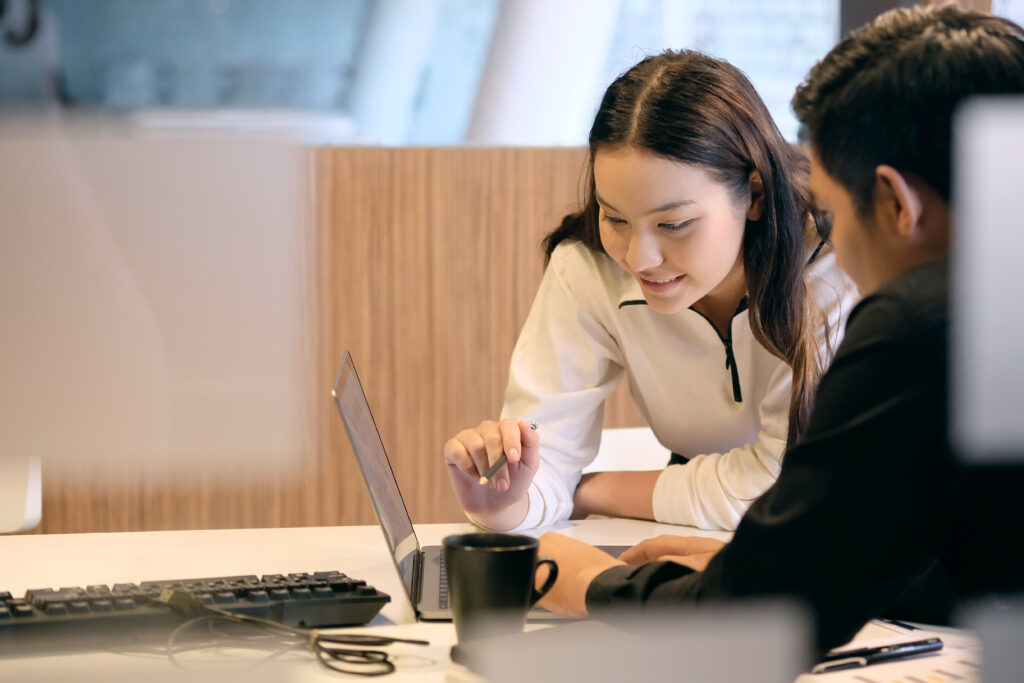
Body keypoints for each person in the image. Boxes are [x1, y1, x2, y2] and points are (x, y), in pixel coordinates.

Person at [533, 3, 1024, 653]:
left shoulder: (922, 325)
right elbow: (982, 573)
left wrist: (593, 584)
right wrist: (750, 567)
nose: (831, 251)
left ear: (897, 205)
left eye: (828, 212)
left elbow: (770, 621)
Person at [443, 51, 857, 533]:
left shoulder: (833, 269)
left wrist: (590, 491)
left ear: (755, 196)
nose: (639, 258)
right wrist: (505, 501)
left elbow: (784, 486)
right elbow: (542, 454)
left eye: (674, 224)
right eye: (614, 217)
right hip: (695, 540)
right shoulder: (587, 270)